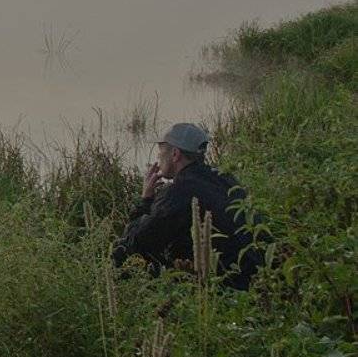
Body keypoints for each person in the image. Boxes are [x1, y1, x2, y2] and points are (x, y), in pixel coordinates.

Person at [112, 123, 264, 289]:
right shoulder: (224, 177)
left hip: (229, 282)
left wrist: (146, 200)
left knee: (120, 253)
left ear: (175, 154)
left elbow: (138, 241)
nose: (158, 157)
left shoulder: (179, 190)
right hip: (258, 270)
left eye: (161, 151)